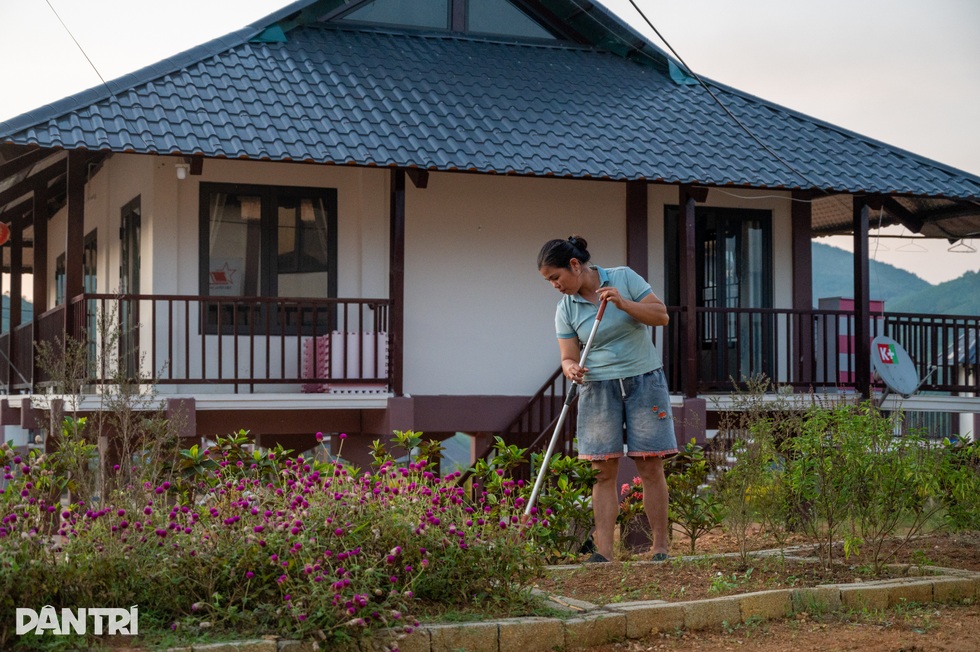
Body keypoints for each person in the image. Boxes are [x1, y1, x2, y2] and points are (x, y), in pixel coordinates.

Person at [537, 235, 677, 562]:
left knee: (649, 464)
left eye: (555, 277)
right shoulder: (565, 309)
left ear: (574, 265)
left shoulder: (623, 277)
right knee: (603, 471)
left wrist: (622, 303)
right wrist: (571, 368)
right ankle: (603, 553)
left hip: (644, 379)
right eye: (549, 282)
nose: (555, 286)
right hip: (598, 387)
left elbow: (661, 316)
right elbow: (568, 356)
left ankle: (659, 548)